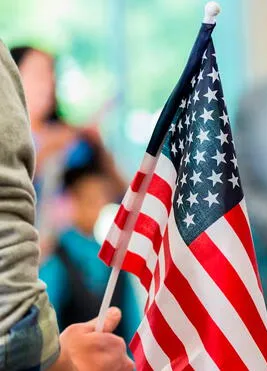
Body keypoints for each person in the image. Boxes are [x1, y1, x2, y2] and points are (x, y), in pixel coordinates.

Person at [0, 40, 133, 370]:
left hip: (71, 257)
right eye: (38, 74)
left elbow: (124, 192)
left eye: (52, 75)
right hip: (31, 272)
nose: (49, 84)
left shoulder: (73, 142)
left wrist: (95, 143)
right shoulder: (47, 139)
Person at [39, 143, 141, 348]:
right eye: (89, 200)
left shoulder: (112, 259)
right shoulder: (57, 257)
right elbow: (44, 327)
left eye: (100, 199)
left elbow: (133, 327)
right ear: (73, 201)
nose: (96, 207)